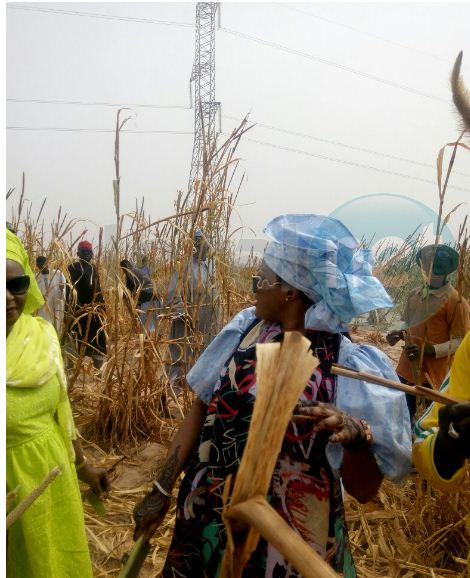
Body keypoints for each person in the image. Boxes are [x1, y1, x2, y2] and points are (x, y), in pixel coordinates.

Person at [133, 214, 412, 578]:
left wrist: (358, 438)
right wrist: (161, 486)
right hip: (209, 523)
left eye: (260, 279)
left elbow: (362, 490)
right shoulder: (243, 330)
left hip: (290, 546)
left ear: (290, 291)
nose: (254, 289)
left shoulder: (347, 367)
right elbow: (201, 409)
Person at [6, 229, 109, 578]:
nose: (8, 298)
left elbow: (60, 414)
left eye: (17, 285)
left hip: (52, 484)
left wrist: (83, 468)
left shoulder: (43, 337)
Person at [387, 244, 469, 422]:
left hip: (432, 375)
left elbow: (460, 341)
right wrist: (397, 334)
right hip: (405, 368)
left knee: (428, 421)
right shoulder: (413, 295)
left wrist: (428, 350)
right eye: (428, 270)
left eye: (437, 272)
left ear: (446, 273)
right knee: (401, 416)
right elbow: (406, 323)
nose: (432, 275)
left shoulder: (456, 301)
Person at [413, 330, 470, 572]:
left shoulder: (455, 303)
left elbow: (454, 338)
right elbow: (426, 433)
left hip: (436, 363)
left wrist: (433, 350)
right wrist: (449, 445)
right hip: (418, 369)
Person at [165, 230, 221, 386]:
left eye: (209, 245)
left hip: (208, 324)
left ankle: (199, 387)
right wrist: (184, 314)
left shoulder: (211, 266)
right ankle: (174, 392)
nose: (207, 249)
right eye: (204, 245)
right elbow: (172, 296)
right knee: (181, 358)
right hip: (187, 325)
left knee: (205, 356)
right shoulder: (183, 266)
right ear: (195, 245)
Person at [65, 240, 107, 370]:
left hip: (91, 312)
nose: (87, 255)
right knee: (77, 339)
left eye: (89, 252)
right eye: (85, 252)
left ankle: (95, 369)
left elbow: (97, 290)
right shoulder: (72, 268)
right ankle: (73, 369)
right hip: (80, 312)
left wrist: (101, 307)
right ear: (78, 253)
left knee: (94, 340)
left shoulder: (93, 268)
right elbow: (69, 290)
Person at [120, 259, 161, 332]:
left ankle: (146, 339)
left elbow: (130, 292)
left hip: (147, 299)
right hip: (156, 297)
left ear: (123, 268)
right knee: (153, 324)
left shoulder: (129, 273)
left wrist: (126, 299)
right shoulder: (138, 270)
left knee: (145, 325)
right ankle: (152, 338)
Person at [36, 255, 66, 335]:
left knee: (57, 329)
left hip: (56, 307)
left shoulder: (58, 274)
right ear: (37, 266)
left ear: (48, 263)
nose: (43, 267)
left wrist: (62, 290)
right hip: (43, 309)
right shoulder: (36, 277)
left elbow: (64, 292)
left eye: (44, 264)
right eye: (40, 265)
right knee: (45, 331)